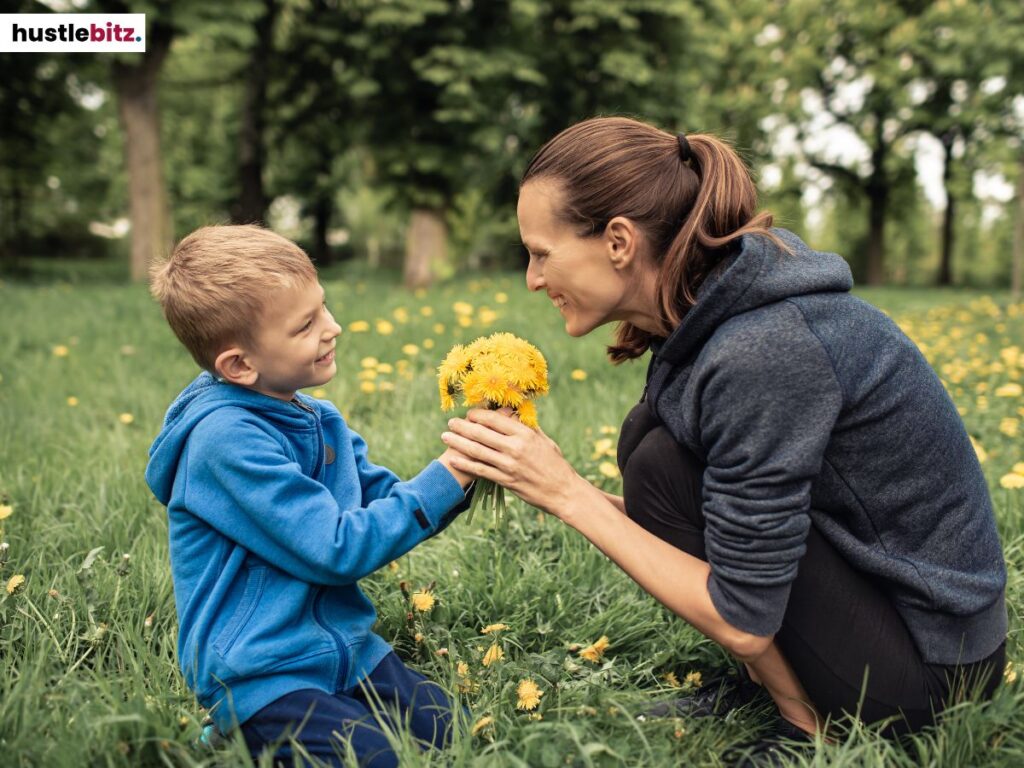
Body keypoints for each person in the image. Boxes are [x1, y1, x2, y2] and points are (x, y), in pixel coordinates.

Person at [441, 116, 1007, 760]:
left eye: (542, 253)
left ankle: (807, 732)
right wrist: (560, 487)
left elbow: (740, 617)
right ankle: (788, 692)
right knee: (654, 457)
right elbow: (700, 513)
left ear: (619, 241)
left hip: (933, 671)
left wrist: (567, 493)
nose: (533, 279)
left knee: (656, 463)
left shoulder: (763, 352)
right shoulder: (713, 311)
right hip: (877, 609)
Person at [145, 225, 474, 768]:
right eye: (306, 325)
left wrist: (471, 468)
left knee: (452, 731)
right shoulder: (225, 443)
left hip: (349, 651)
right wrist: (445, 479)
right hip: (263, 673)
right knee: (373, 758)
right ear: (239, 365)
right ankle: (238, 732)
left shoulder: (317, 417)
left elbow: (388, 501)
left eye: (323, 308)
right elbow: (336, 547)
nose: (333, 327)